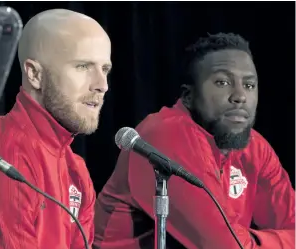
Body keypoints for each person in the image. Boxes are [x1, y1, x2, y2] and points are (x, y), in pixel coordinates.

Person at [93, 33, 295, 249]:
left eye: (249, 85)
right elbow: (227, 246)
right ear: (188, 96)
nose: (239, 96)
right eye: (223, 82)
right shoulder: (167, 135)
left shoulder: (255, 147)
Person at [0, 9, 112, 249]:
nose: (102, 85)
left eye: (105, 69)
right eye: (83, 66)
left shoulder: (76, 169)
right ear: (35, 74)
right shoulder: (6, 152)